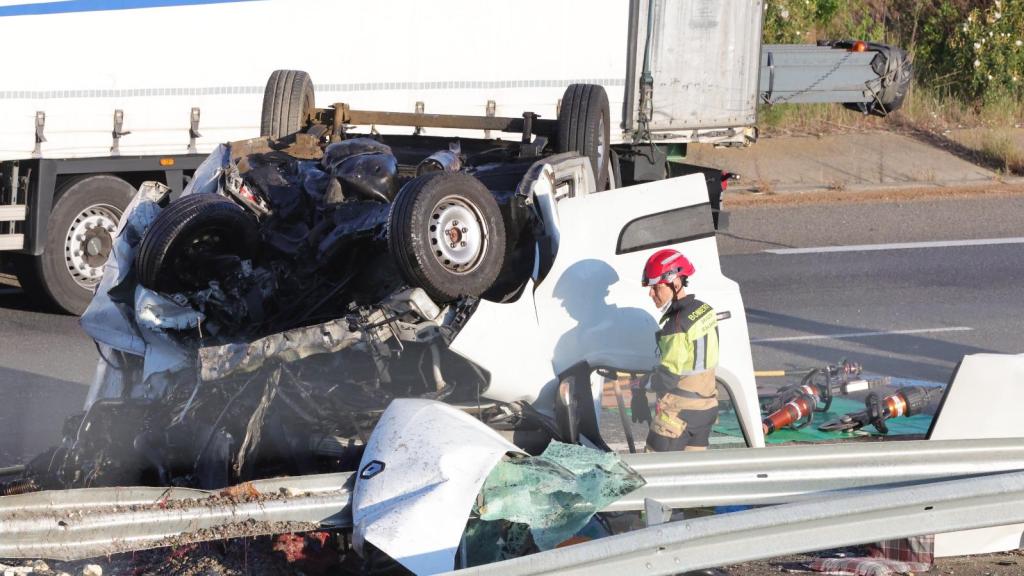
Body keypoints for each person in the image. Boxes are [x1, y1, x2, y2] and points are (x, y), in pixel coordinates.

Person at [631, 248, 720, 452]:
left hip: (679, 413)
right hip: (706, 408)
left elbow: (668, 379)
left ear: (676, 281)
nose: (651, 293)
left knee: (654, 475)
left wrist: (641, 384)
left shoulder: (675, 326)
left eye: (656, 287)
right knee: (691, 477)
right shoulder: (704, 310)